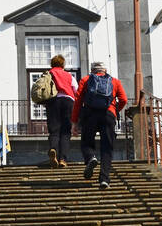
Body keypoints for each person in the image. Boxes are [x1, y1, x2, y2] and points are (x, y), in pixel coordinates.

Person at [71, 60, 127, 191]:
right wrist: (115, 110)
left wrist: (74, 122)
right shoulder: (114, 81)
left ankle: (91, 158)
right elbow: (123, 99)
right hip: (108, 114)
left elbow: (78, 101)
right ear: (105, 71)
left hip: (90, 115)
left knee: (86, 141)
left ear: (92, 71)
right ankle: (104, 179)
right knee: (107, 147)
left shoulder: (86, 80)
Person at [43, 53, 77, 168]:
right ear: (63, 64)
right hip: (68, 101)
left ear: (52, 64)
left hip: (53, 102)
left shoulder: (48, 74)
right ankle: (63, 159)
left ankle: (53, 150)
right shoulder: (69, 75)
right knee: (66, 132)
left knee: (54, 130)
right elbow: (76, 90)